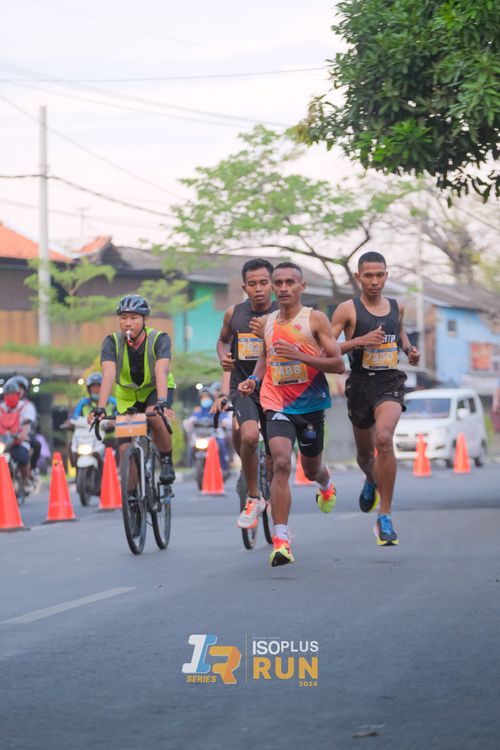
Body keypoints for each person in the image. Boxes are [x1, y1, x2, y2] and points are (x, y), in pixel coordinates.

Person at [238, 261, 345, 567]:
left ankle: (324, 483)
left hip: (310, 405)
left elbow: (338, 365)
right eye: (279, 283)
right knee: (281, 463)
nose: (284, 288)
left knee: (310, 470)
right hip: (276, 402)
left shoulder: (315, 319)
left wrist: (300, 356)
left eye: (290, 282)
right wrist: (254, 379)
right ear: (274, 287)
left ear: (302, 286)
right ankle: (281, 540)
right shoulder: (268, 322)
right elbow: (265, 358)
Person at [331, 250, 420, 546]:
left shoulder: (396, 306)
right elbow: (325, 348)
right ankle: (370, 479)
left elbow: (400, 331)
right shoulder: (347, 310)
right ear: (358, 277)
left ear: (386, 275)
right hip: (359, 384)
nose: (374, 281)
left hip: (389, 382)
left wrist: (409, 350)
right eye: (368, 275)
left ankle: (385, 515)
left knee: (384, 438)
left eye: (379, 275)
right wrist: (359, 341)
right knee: (365, 455)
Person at [212, 258, 279, 528]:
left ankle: (273, 492)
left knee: (275, 456)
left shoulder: (283, 313)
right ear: (244, 287)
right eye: (252, 284)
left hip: (276, 390)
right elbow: (223, 341)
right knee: (247, 437)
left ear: (273, 285)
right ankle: (253, 496)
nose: (258, 289)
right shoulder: (234, 314)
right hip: (243, 390)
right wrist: (224, 358)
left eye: (263, 283)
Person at [90, 294, 175, 484]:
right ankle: (132, 495)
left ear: (144, 320)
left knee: (155, 416)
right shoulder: (111, 342)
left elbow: (161, 370)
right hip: (128, 397)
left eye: (134, 318)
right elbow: (108, 374)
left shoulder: (159, 339)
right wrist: (101, 408)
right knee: (124, 449)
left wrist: (162, 401)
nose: (128, 323)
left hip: (156, 390)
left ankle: (166, 461)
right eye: (123, 318)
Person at [0, 379, 37, 484]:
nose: (10, 397)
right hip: (3, 442)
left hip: (18, 441)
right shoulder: (1, 407)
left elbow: (27, 424)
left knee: (22, 459)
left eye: (13, 394)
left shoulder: (26, 406)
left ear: (18, 394)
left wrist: (22, 435)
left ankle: (25, 480)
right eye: (8, 394)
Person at [12, 375, 42, 475]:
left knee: (37, 444)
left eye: (21, 388)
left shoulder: (28, 405)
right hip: (7, 437)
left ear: (25, 390)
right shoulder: (4, 405)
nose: (19, 390)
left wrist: (24, 434)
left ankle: (32, 469)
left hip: (24, 435)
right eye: (16, 388)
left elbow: (28, 421)